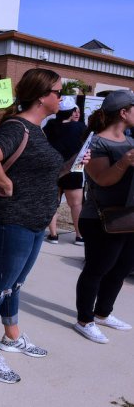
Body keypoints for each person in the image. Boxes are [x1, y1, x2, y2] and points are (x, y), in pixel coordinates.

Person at [0, 68, 65, 384]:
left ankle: (11, 336)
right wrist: (7, 185)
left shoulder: (37, 129)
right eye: (58, 92)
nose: (61, 98)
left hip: (34, 221)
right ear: (42, 96)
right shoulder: (16, 127)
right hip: (11, 221)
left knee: (15, 284)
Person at [72, 90, 134, 344]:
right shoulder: (96, 142)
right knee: (97, 269)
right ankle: (84, 320)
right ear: (124, 112)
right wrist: (126, 161)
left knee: (121, 268)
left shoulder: (130, 140)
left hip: (128, 215)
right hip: (101, 218)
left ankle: (103, 313)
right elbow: (102, 179)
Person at [43, 97, 87, 245]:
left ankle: (53, 235)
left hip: (52, 168)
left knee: (52, 202)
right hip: (74, 168)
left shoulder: (49, 126)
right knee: (76, 204)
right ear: (71, 111)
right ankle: (80, 236)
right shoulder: (80, 127)